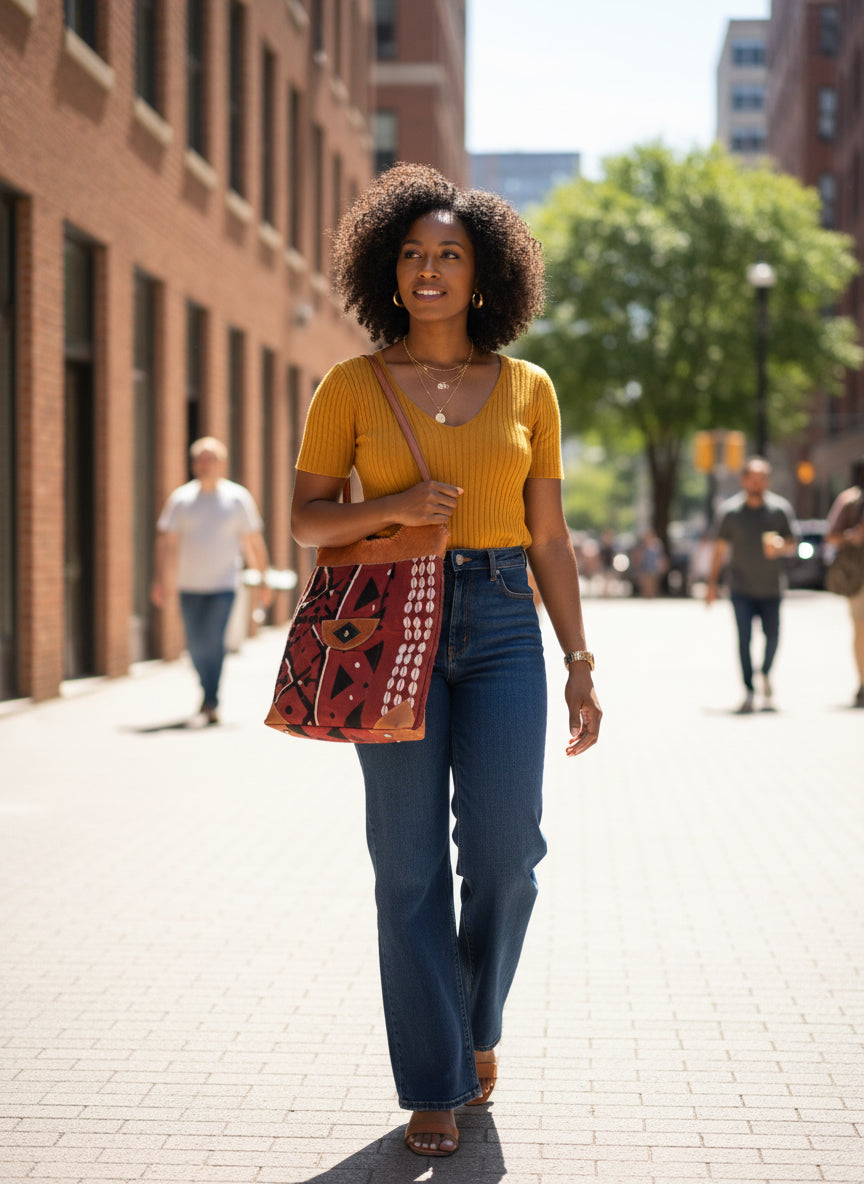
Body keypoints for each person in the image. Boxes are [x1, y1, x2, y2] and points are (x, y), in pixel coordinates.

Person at [290, 164, 601, 1157]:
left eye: (450, 255)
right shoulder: (350, 384)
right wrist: (392, 507)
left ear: (482, 275)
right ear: (388, 271)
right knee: (408, 865)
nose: (429, 270)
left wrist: (579, 659)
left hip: (505, 618)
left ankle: (475, 1020)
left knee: (509, 854)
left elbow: (549, 536)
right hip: (389, 623)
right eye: (413, 254)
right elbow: (306, 519)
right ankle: (435, 1079)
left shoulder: (529, 387)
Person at [151, 437, 272, 724]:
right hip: (188, 585)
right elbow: (166, 543)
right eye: (200, 459)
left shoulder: (237, 498)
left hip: (224, 585)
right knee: (195, 645)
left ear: (221, 463)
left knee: (214, 640)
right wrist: (160, 580)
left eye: (210, 459)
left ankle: (211, 699)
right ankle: (207, 691)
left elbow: (253, 542)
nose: (204, 464)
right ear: (194, 464)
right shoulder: (181, 499)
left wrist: (263, 579)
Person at [705, 457, 797, 713]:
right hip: (740, 588)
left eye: (762, 479)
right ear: (743, 480)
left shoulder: (780, 510)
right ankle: (748, 689)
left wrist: (782, 546)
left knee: (773, 637)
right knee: (744, 640)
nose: (758, 484)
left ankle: (765, 672)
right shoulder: (730, 512)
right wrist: (712, 584)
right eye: (753, 479)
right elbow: (719, 550)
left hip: (772, 587)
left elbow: (793, 543)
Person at [825, 456, 864, 707]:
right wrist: (852, 536)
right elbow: (831, 536)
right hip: (859, 576)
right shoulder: (850, 501)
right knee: (862, 630)